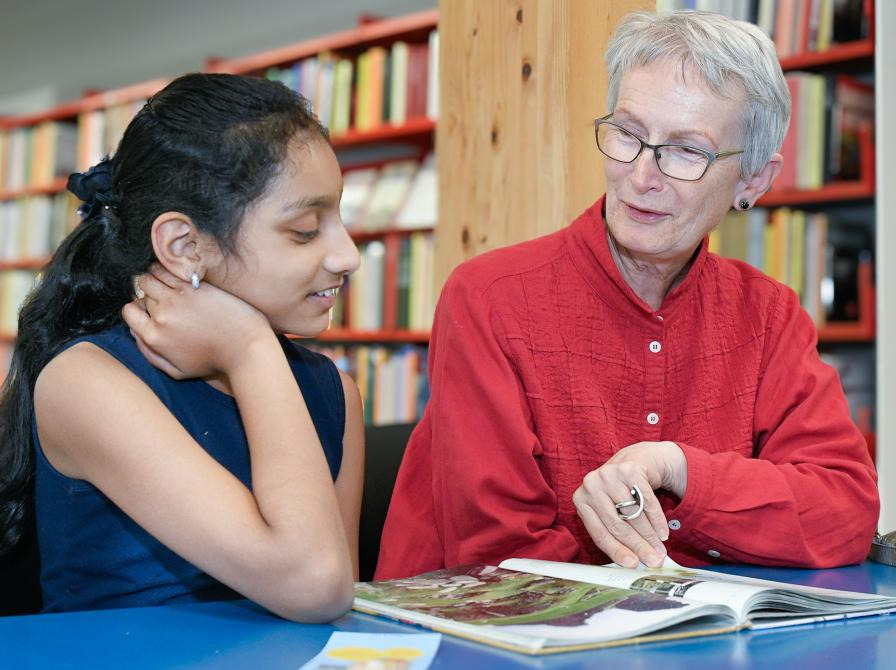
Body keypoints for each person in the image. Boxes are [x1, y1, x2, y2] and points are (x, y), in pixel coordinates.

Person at [376, 10, 879, 578]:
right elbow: (499, 552)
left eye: (688, 151)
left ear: (754, 180)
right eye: (629, 134)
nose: (642, 175)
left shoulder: (770, 315)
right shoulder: (488, 298)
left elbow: (845, 510)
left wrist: (680, 469)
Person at [0, 73, 364, 621]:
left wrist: (250, 352)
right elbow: (314, 585)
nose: (349, 255)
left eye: (341, 217)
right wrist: (250, 351)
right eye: (306, 230)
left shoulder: (333, 391)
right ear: (184, 245)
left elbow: (337, 607)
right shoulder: (86, 384)